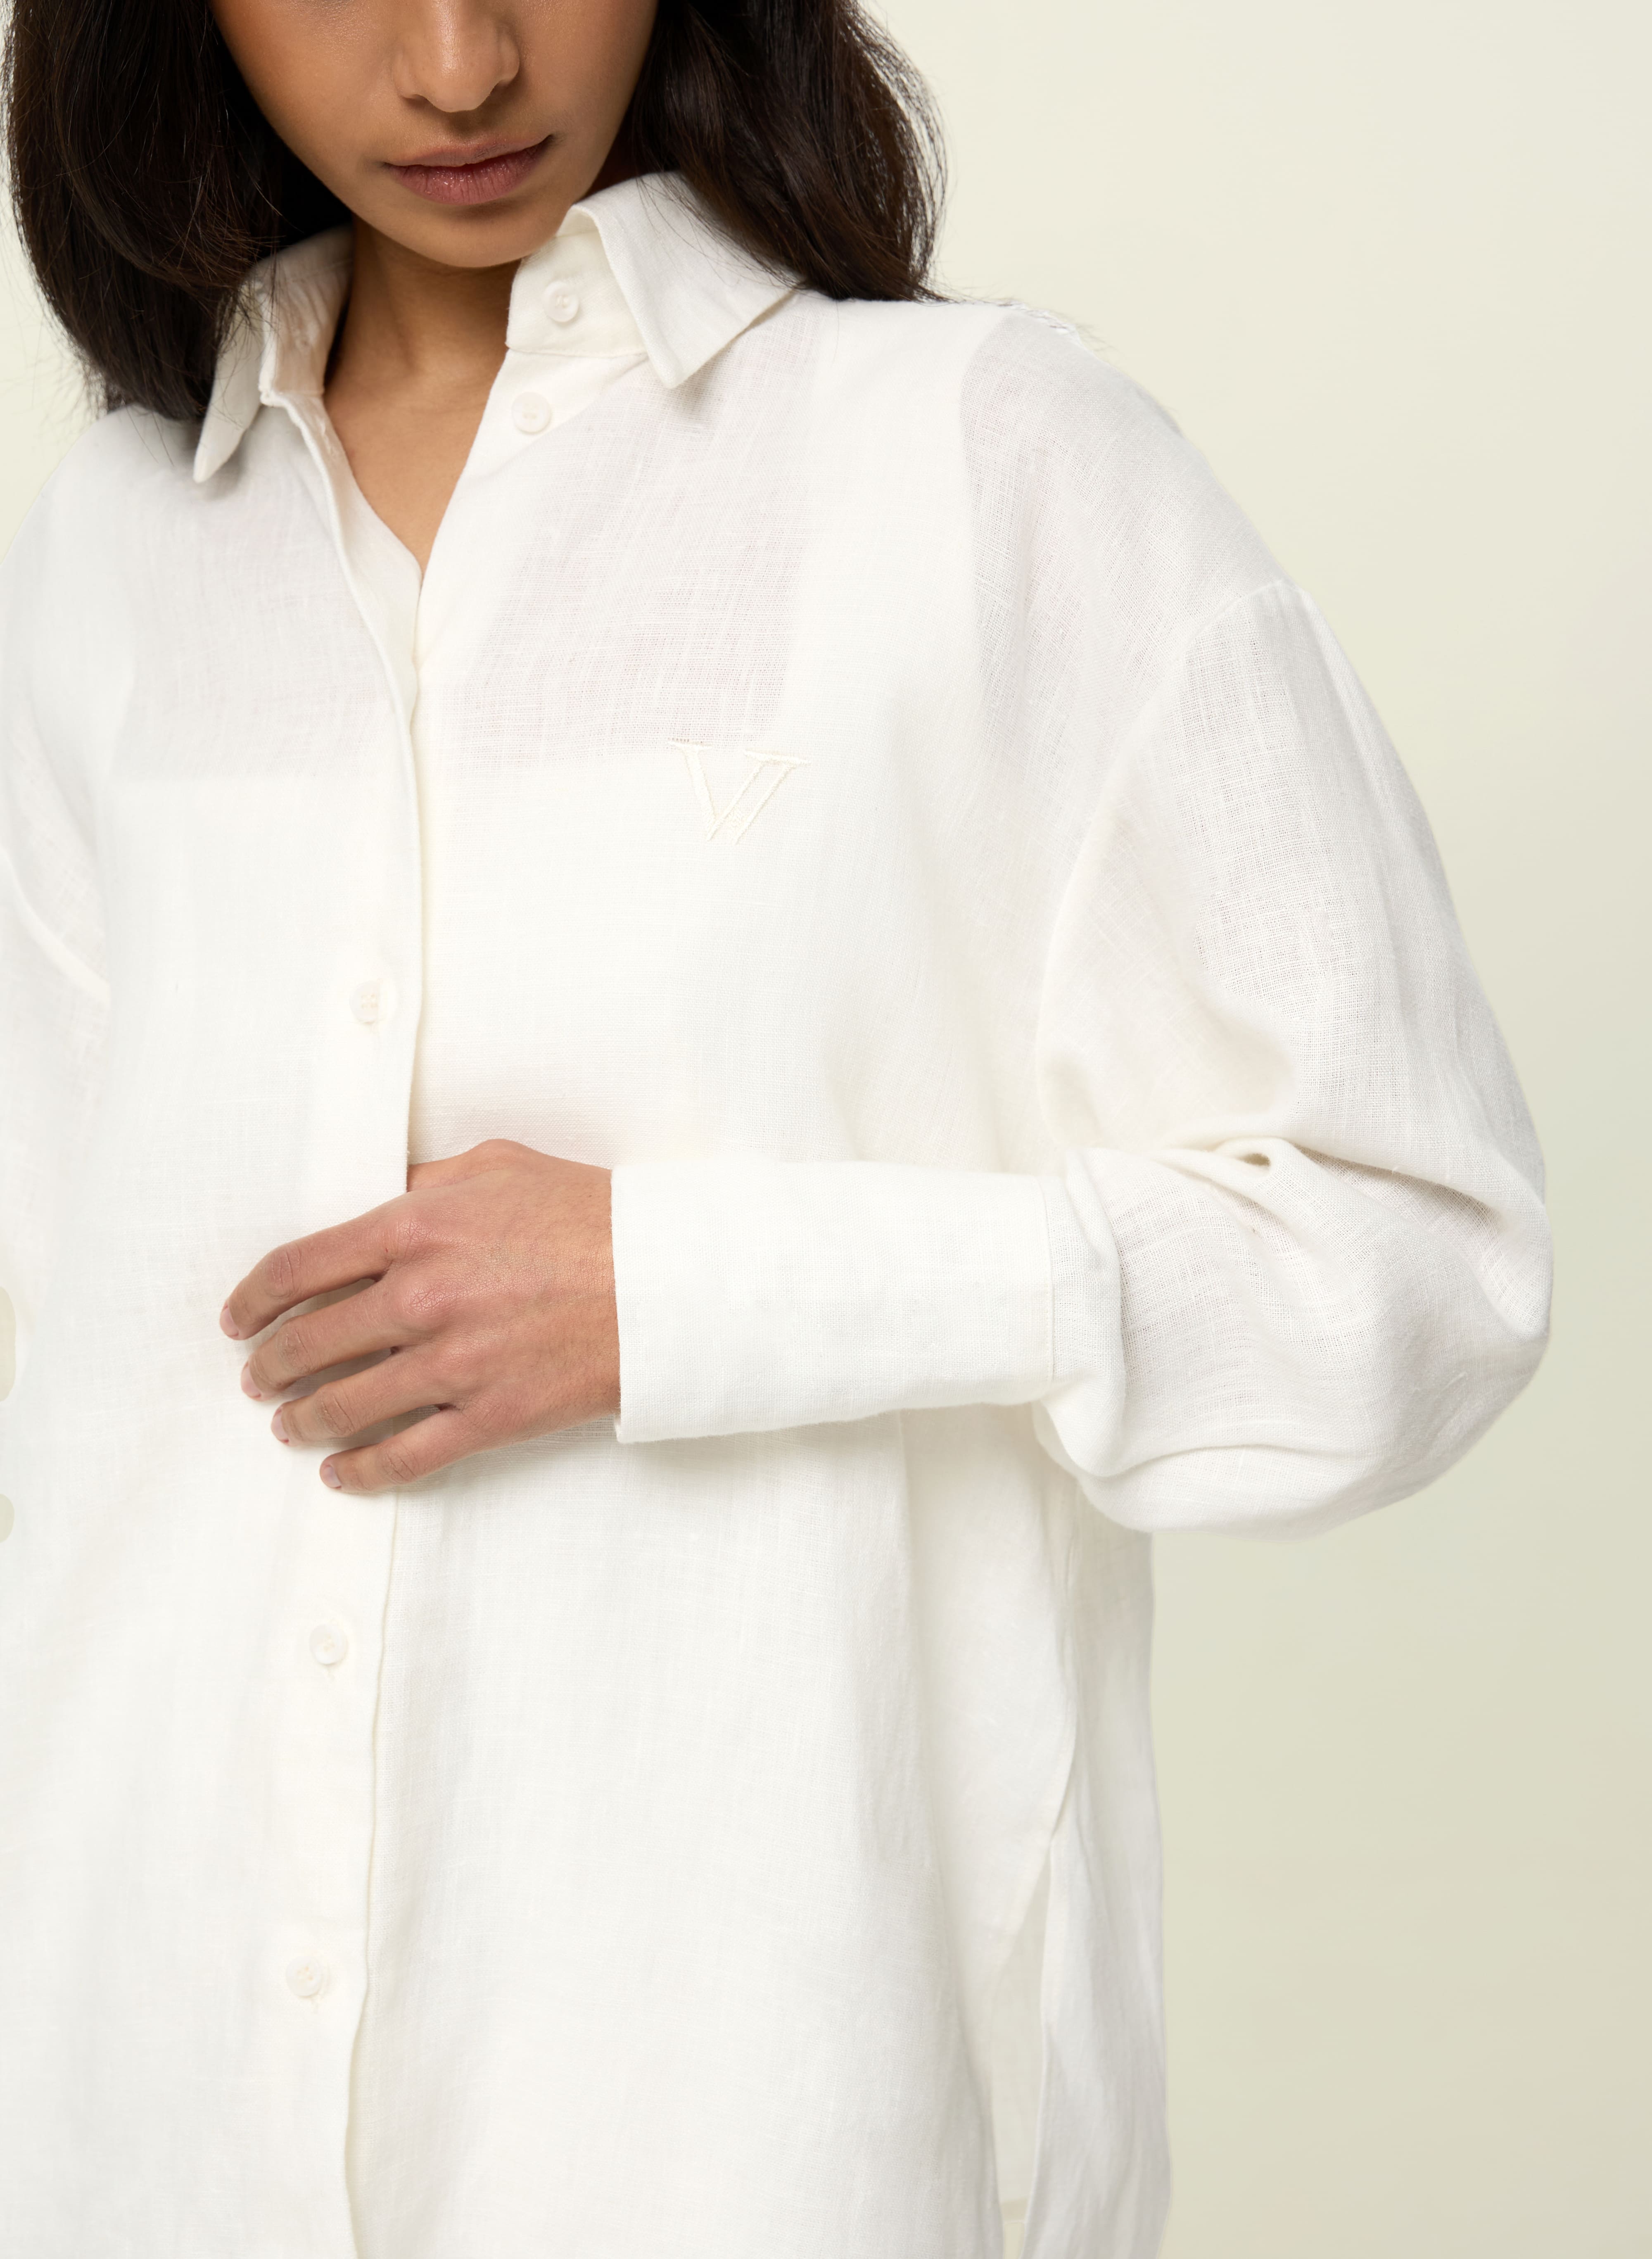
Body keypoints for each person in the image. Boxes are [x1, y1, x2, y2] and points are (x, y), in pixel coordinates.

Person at [0, 0, 1551, 2253]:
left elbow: (1411, 1263)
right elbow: (60, 1380)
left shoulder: (983, 463)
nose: (462, 64)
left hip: (758, 2117)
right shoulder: (111, 557)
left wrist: (689, 1293)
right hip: (144, 2112)